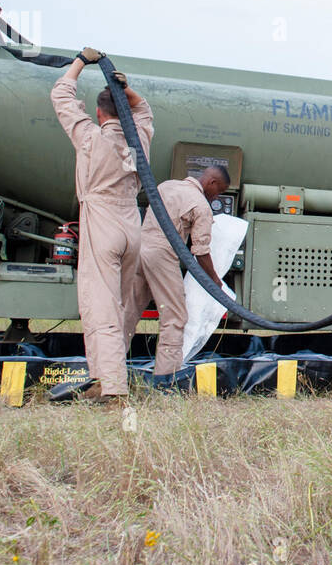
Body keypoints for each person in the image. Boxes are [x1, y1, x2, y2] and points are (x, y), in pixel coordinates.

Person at [51, 48, 153, 403]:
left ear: (97, 112)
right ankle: (103, 376)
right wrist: (128, 90)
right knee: (122, 308)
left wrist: (81, 61)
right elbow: (144, 110)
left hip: (102, 221)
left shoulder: (90, 137)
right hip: (132, 225)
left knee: (100, 306)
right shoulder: (139, 139)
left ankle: (113, 387)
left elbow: (61, 94)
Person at [124, 167, 230, 380]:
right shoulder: (201, 205)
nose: (217, 196)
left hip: (139, 249)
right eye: (219, 191)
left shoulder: (166, 186)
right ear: (211, 182)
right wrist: (216, 282)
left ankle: (107, 369)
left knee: (128, 311)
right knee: (174, 316)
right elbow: (200, 252)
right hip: (163, 255)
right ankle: (166, 378)